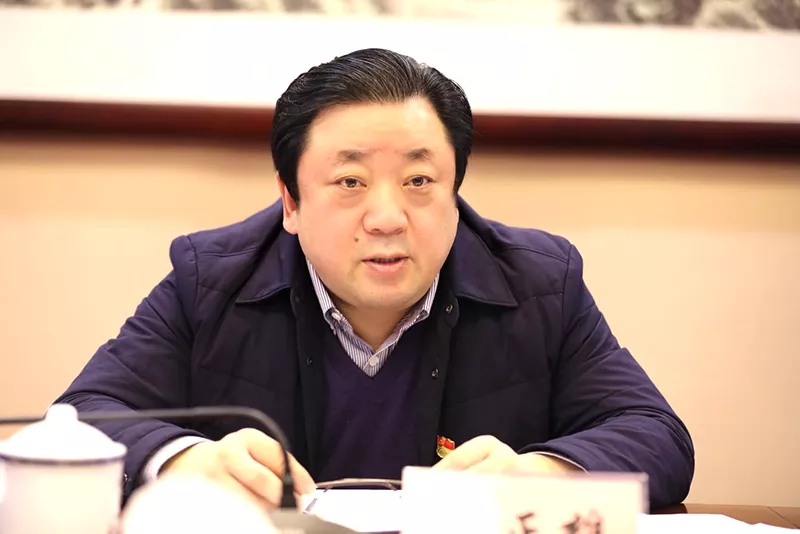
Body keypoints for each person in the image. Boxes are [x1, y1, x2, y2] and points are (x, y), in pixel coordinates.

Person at [54, 47, 694, 511]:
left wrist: (543, 475)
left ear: (455, 191)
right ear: (291, 201)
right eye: (350, 181)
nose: (387, 218)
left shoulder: (540, 283)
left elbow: (655, 433)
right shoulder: (211, 279)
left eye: (419, 180)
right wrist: (183, 458)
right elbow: (81, 418)